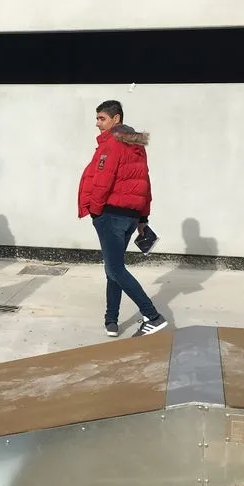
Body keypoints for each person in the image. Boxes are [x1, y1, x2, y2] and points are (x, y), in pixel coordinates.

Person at [77, 100, 169, 338]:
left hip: (111, 214)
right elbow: (144, 183)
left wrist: (96, 211)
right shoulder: (135, 146)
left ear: (116, 119)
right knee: (113, 268)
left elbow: (102, 180)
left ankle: (152, 316)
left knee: (115, 268)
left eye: (102, 119)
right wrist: (143, 218)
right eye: (97, 118)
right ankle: (112, 320)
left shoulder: (113, 144)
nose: (97, 124)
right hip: (129, 217)